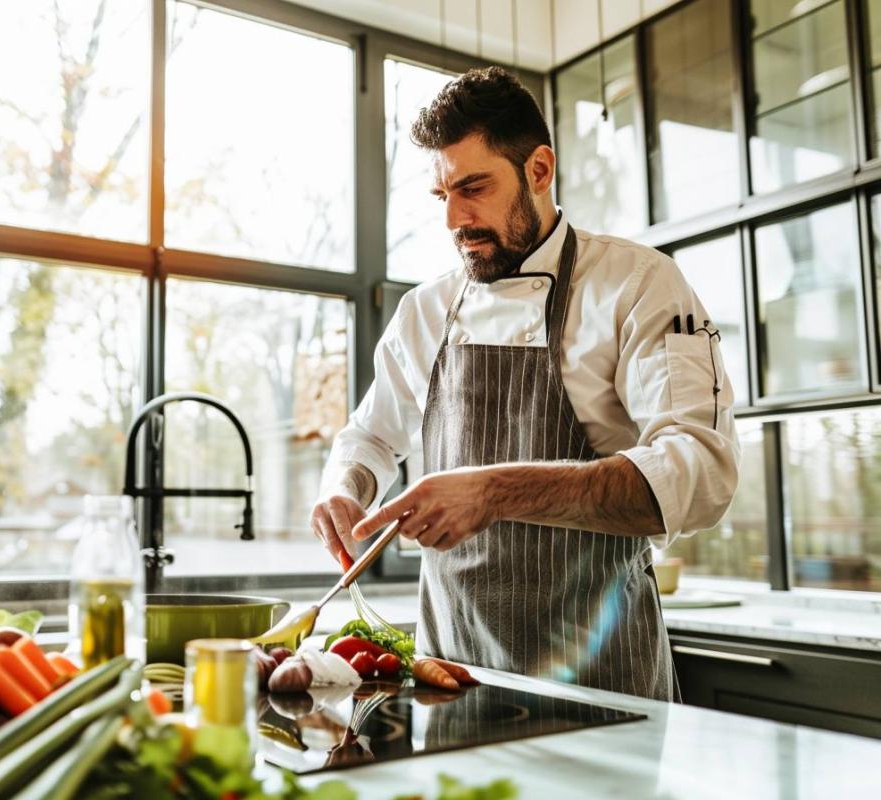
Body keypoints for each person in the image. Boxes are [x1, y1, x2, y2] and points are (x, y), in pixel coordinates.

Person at [310, 66, 739, 701]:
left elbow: (699, 476)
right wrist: (346, 490)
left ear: (539, 171)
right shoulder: (425, 312)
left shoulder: (639, 284)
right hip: (449, 684)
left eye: (474, 188)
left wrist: (495, 490)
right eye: (442, 196)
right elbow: (371, 435)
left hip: (605, 688)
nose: (454, 218)